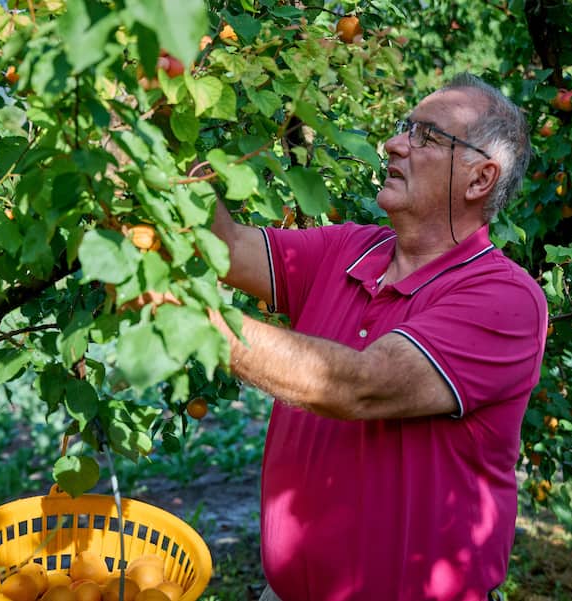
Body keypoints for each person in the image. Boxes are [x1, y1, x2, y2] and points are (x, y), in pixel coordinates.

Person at [209, 73, 548, 601]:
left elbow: (360, 385)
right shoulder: (351, 249)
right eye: (403, 128)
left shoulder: (504, 299)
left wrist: (193, 326)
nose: (394, 144)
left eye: (428, 137)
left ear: (480, 179)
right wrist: (155, 141)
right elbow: (225, 246)